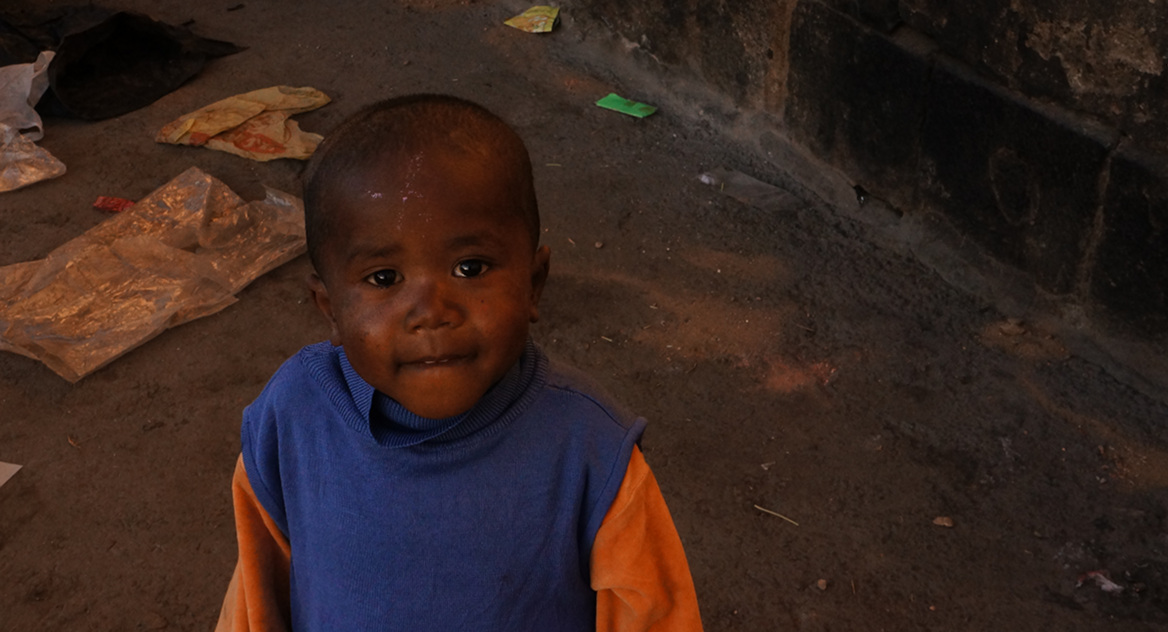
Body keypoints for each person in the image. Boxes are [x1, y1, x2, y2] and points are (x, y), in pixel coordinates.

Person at [213, 94, 703, 632]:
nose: (432, 313)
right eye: (383, 278)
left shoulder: (591, 454)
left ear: (533, 285)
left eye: (470, 268)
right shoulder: (292, 417)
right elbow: (256, 598)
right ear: (329, 309)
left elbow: (654, 616)